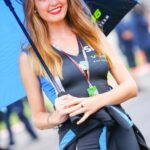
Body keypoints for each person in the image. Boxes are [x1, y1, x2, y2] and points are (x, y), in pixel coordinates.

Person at [19, 0, 143, 150]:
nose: (53, 3)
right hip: (81, 139)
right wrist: (55, 117)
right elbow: (38, 118)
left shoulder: (93, 33)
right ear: (34, 7)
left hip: (121, 129)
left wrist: (96, 101)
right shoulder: (30, 56)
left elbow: (130, 87)